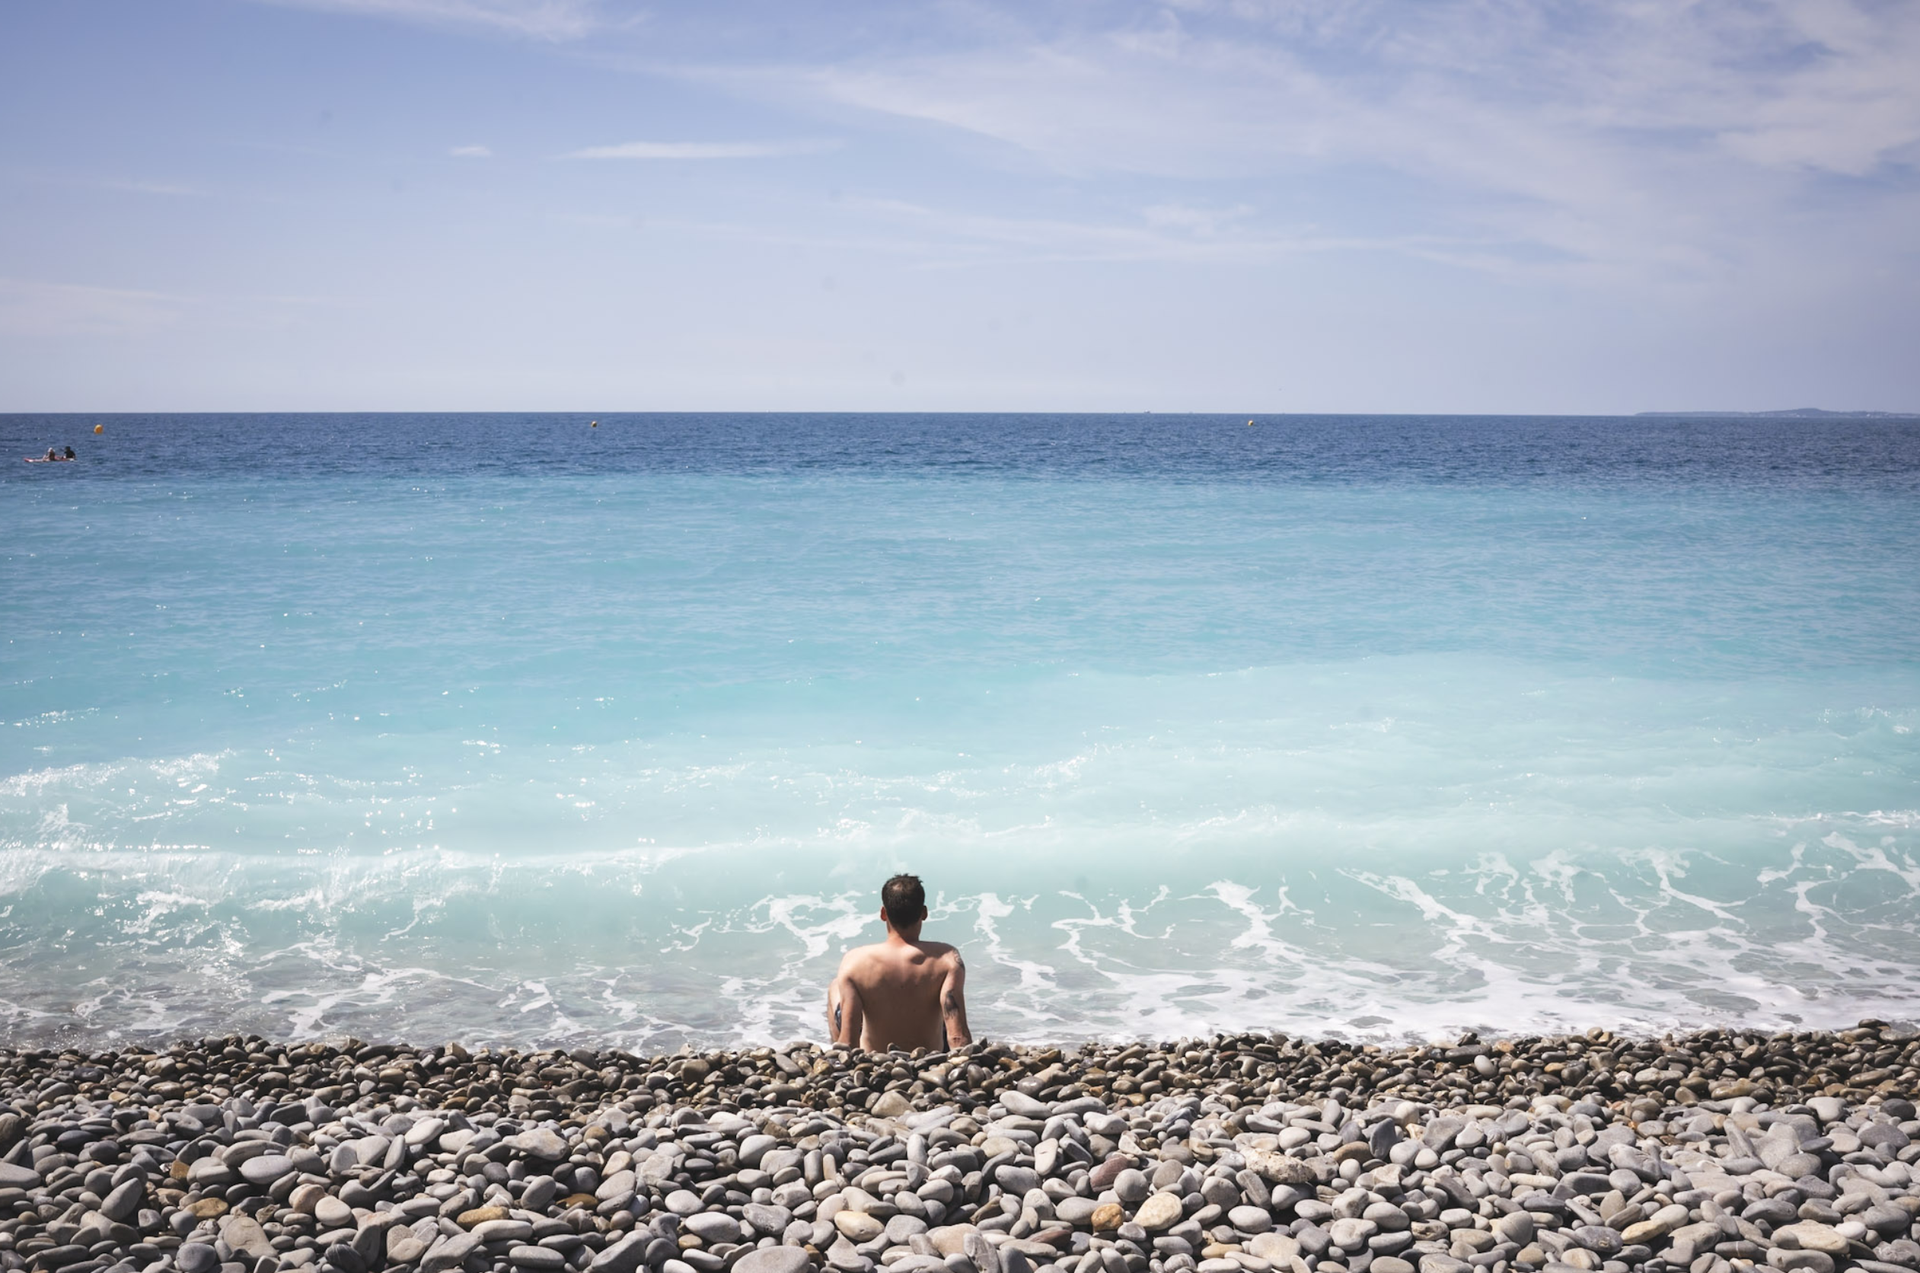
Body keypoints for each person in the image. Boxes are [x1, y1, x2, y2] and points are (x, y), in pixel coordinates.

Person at [827, 874, 971, 1051]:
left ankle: (843, 1059)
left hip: (875, 1060)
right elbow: (958, 1037)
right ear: (924, 913)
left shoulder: (854, 961)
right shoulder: (947, 958)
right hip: (929, 1057)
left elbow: (848, 1042)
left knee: (835, 987)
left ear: (883, 914)